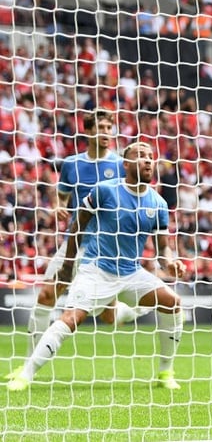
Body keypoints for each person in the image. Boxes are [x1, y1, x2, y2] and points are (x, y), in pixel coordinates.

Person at [6, 142, 186, 392]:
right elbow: (77, 225)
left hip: (131, 273)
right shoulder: (105, 190)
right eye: (140, 156)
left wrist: (170, 261)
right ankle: (25, 375)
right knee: (71, 318)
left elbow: (162, 248)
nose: (147, 160)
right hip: (96, 269)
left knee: (173, 302)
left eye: (150, 157)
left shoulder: (158, 204)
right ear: (126, 164)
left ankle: (165, 372)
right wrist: (68, 266)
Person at [5, 110, 144, 381]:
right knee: (46, 296)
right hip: (76, 241)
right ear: (89, 131)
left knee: (108, 316)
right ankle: (27, 365)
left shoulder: (120, 165)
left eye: (110, 128)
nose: (106, 133)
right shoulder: (72, 164)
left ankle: (130, 313)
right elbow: (62, 194)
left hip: (107, 247)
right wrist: (58, 206)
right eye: (101, 127)